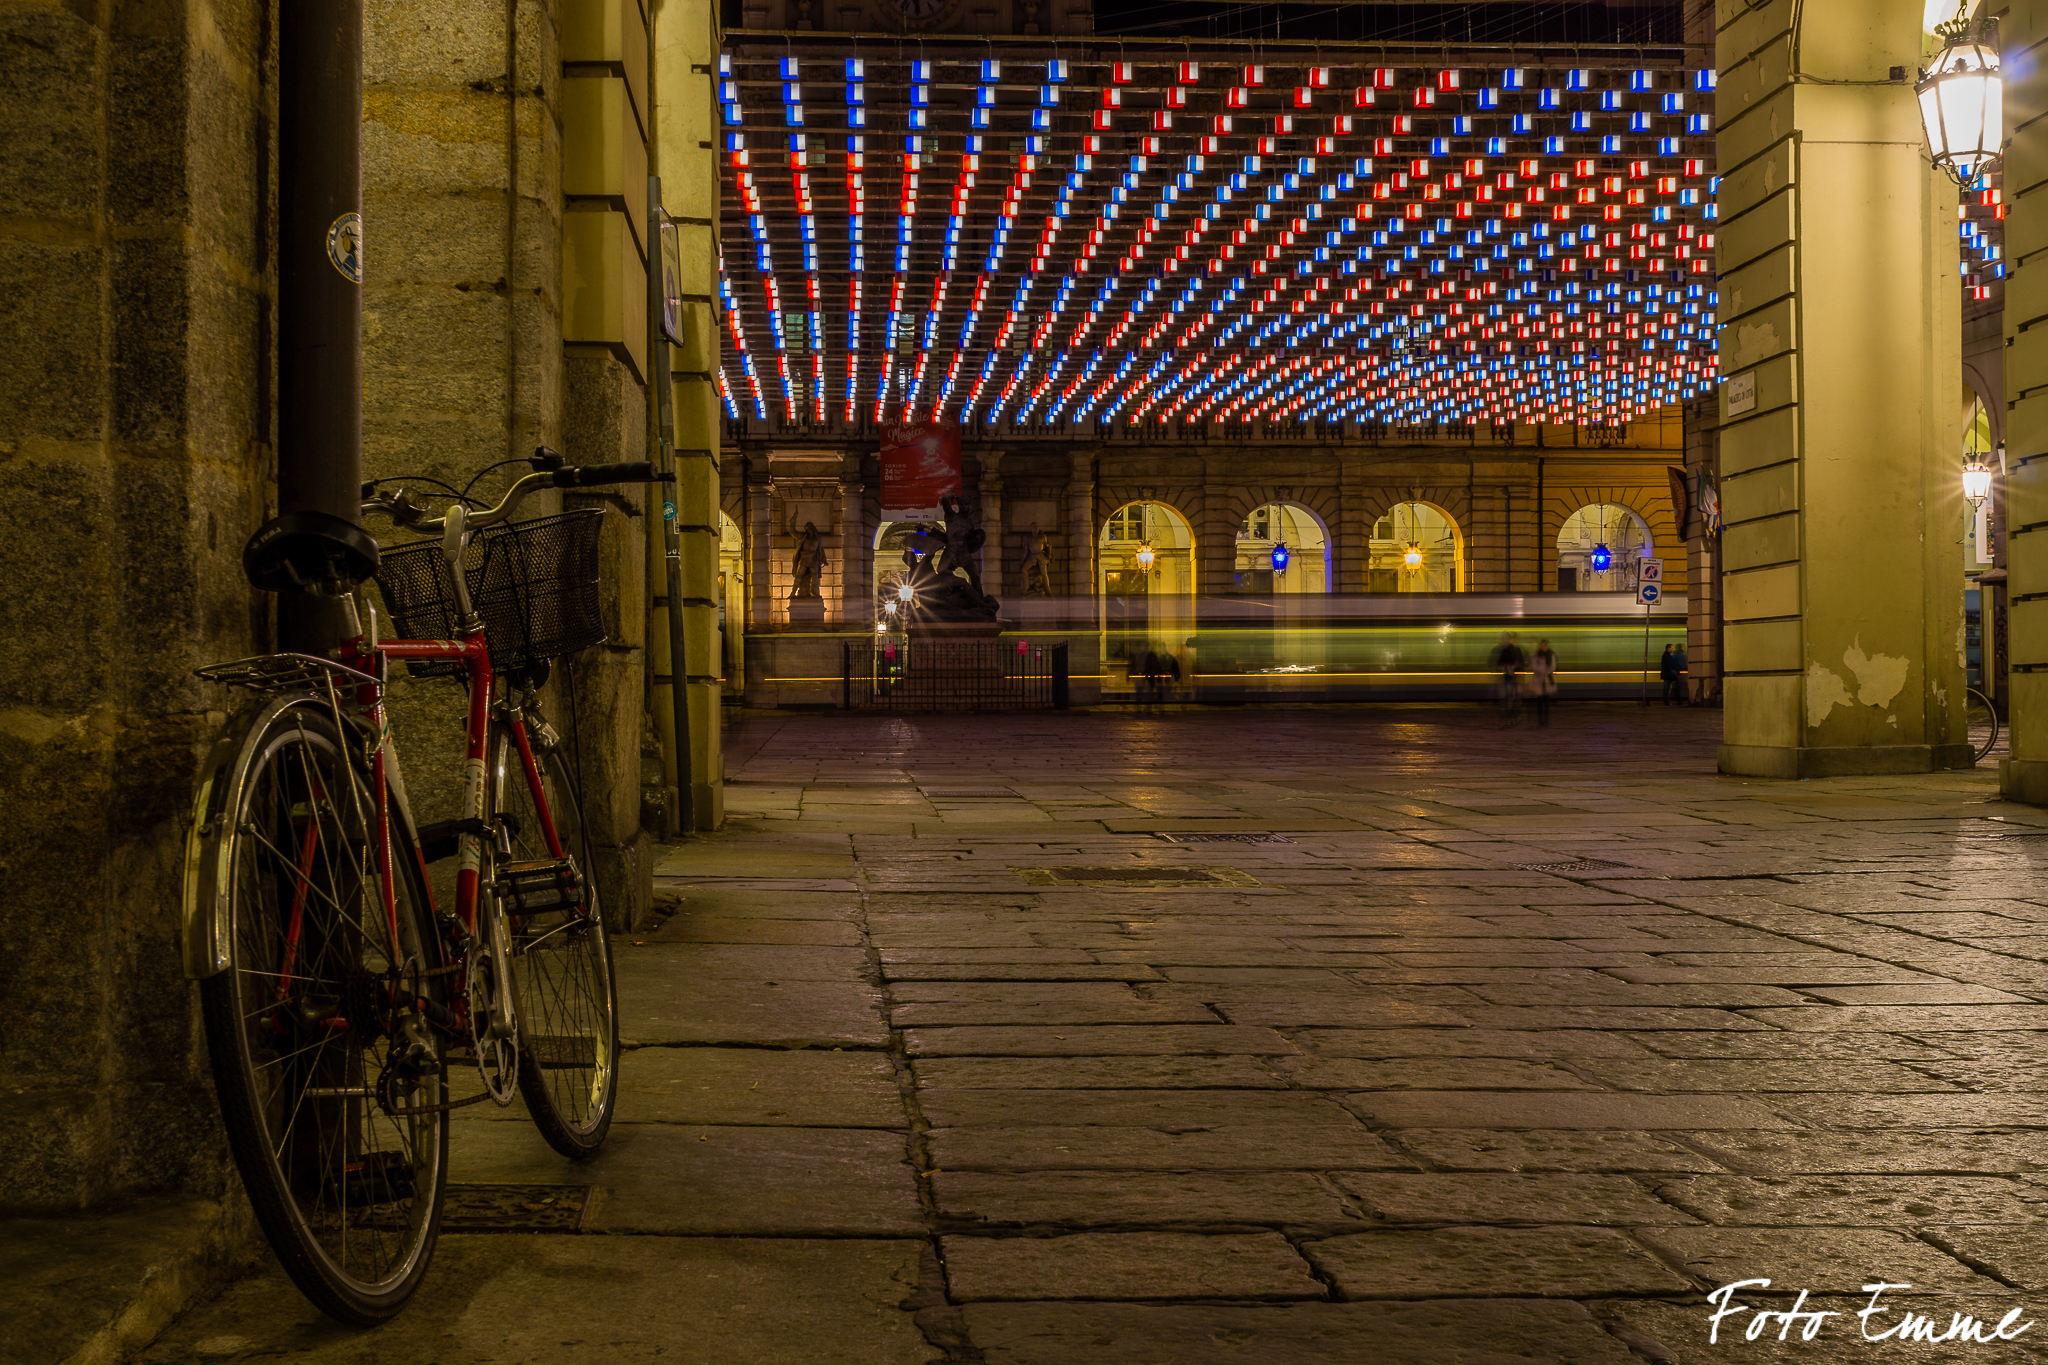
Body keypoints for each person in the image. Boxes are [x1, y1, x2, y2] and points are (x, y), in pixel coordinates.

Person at [1489, 632, 1525, 725]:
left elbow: (1521, 664)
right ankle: (1508, 718)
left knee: (1510, 700)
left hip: (1512, 678)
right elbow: (1499, 663)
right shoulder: (1507, 650)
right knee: (1508, 700)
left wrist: (1513, 667)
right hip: (1508, 678)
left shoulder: (1515, 650)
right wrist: (1506, 666)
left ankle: (1510, 718)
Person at [1530, 638, 1558, 727]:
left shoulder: (1551, 655)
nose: (1543, 647)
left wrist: (1543, 668)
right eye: (1542, 645)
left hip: (1547, 681)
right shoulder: (1536, 656)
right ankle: (1540, 720)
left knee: (1546, 701)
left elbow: (1553, 668)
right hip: (1538, 681)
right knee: (1539, 701)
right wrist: (1544, 667)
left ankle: (1546, 719)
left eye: (1544, 645)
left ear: (1547, 646)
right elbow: (1534, 667)